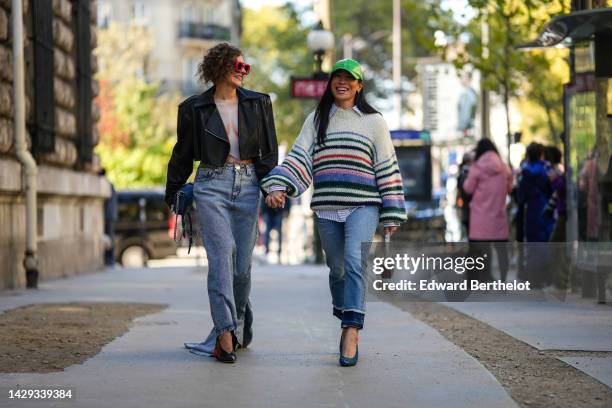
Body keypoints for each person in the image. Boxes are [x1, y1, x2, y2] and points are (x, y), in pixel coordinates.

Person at [261, 59, 407, 366]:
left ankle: (351, 329)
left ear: (359, 86)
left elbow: (387, 168)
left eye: (349, 78)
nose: (342, 82)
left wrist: (391, 212)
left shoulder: (374, 121)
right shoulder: (317, 120)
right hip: (327, 206)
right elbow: (299, 158)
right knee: (337, 268)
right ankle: (346, 310)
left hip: (363, 205)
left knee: (355, 261)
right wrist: (279, 186)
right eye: (337, 77)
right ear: (331, 83)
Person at [164, 43, 278, 363]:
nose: (243, 71)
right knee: (222, 254)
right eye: (237, 66)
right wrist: (173, 192)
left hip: (249, 185)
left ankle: (240, 325)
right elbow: (182, 154)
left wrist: (271, 187)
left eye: (246, 67)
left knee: (241, 268)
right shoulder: (193, 108)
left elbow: (268, 154)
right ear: (219, 69)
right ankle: (224, 335)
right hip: (211, 184)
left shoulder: (259, 104)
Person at [463, 138, 512, 282]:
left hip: (480, 217)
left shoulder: (477, 167)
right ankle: (503, 281)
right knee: (502, 251)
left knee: (480, 251)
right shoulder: (503, 167)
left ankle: (483, 280)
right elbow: (510, 188)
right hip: (499, 215)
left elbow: (468, 188)